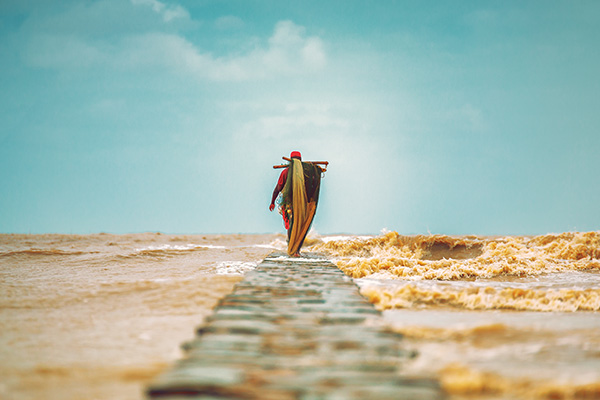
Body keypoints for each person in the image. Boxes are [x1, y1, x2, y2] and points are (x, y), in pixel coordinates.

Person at [269, 151, 324, 257]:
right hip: (299, 205)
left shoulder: (287, 172)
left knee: (292, 224)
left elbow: (278, 188)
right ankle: (294, 250)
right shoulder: (305, 172)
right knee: (297, 225)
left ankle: (293, 249)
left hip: (293, 204)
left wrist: (272, 202)